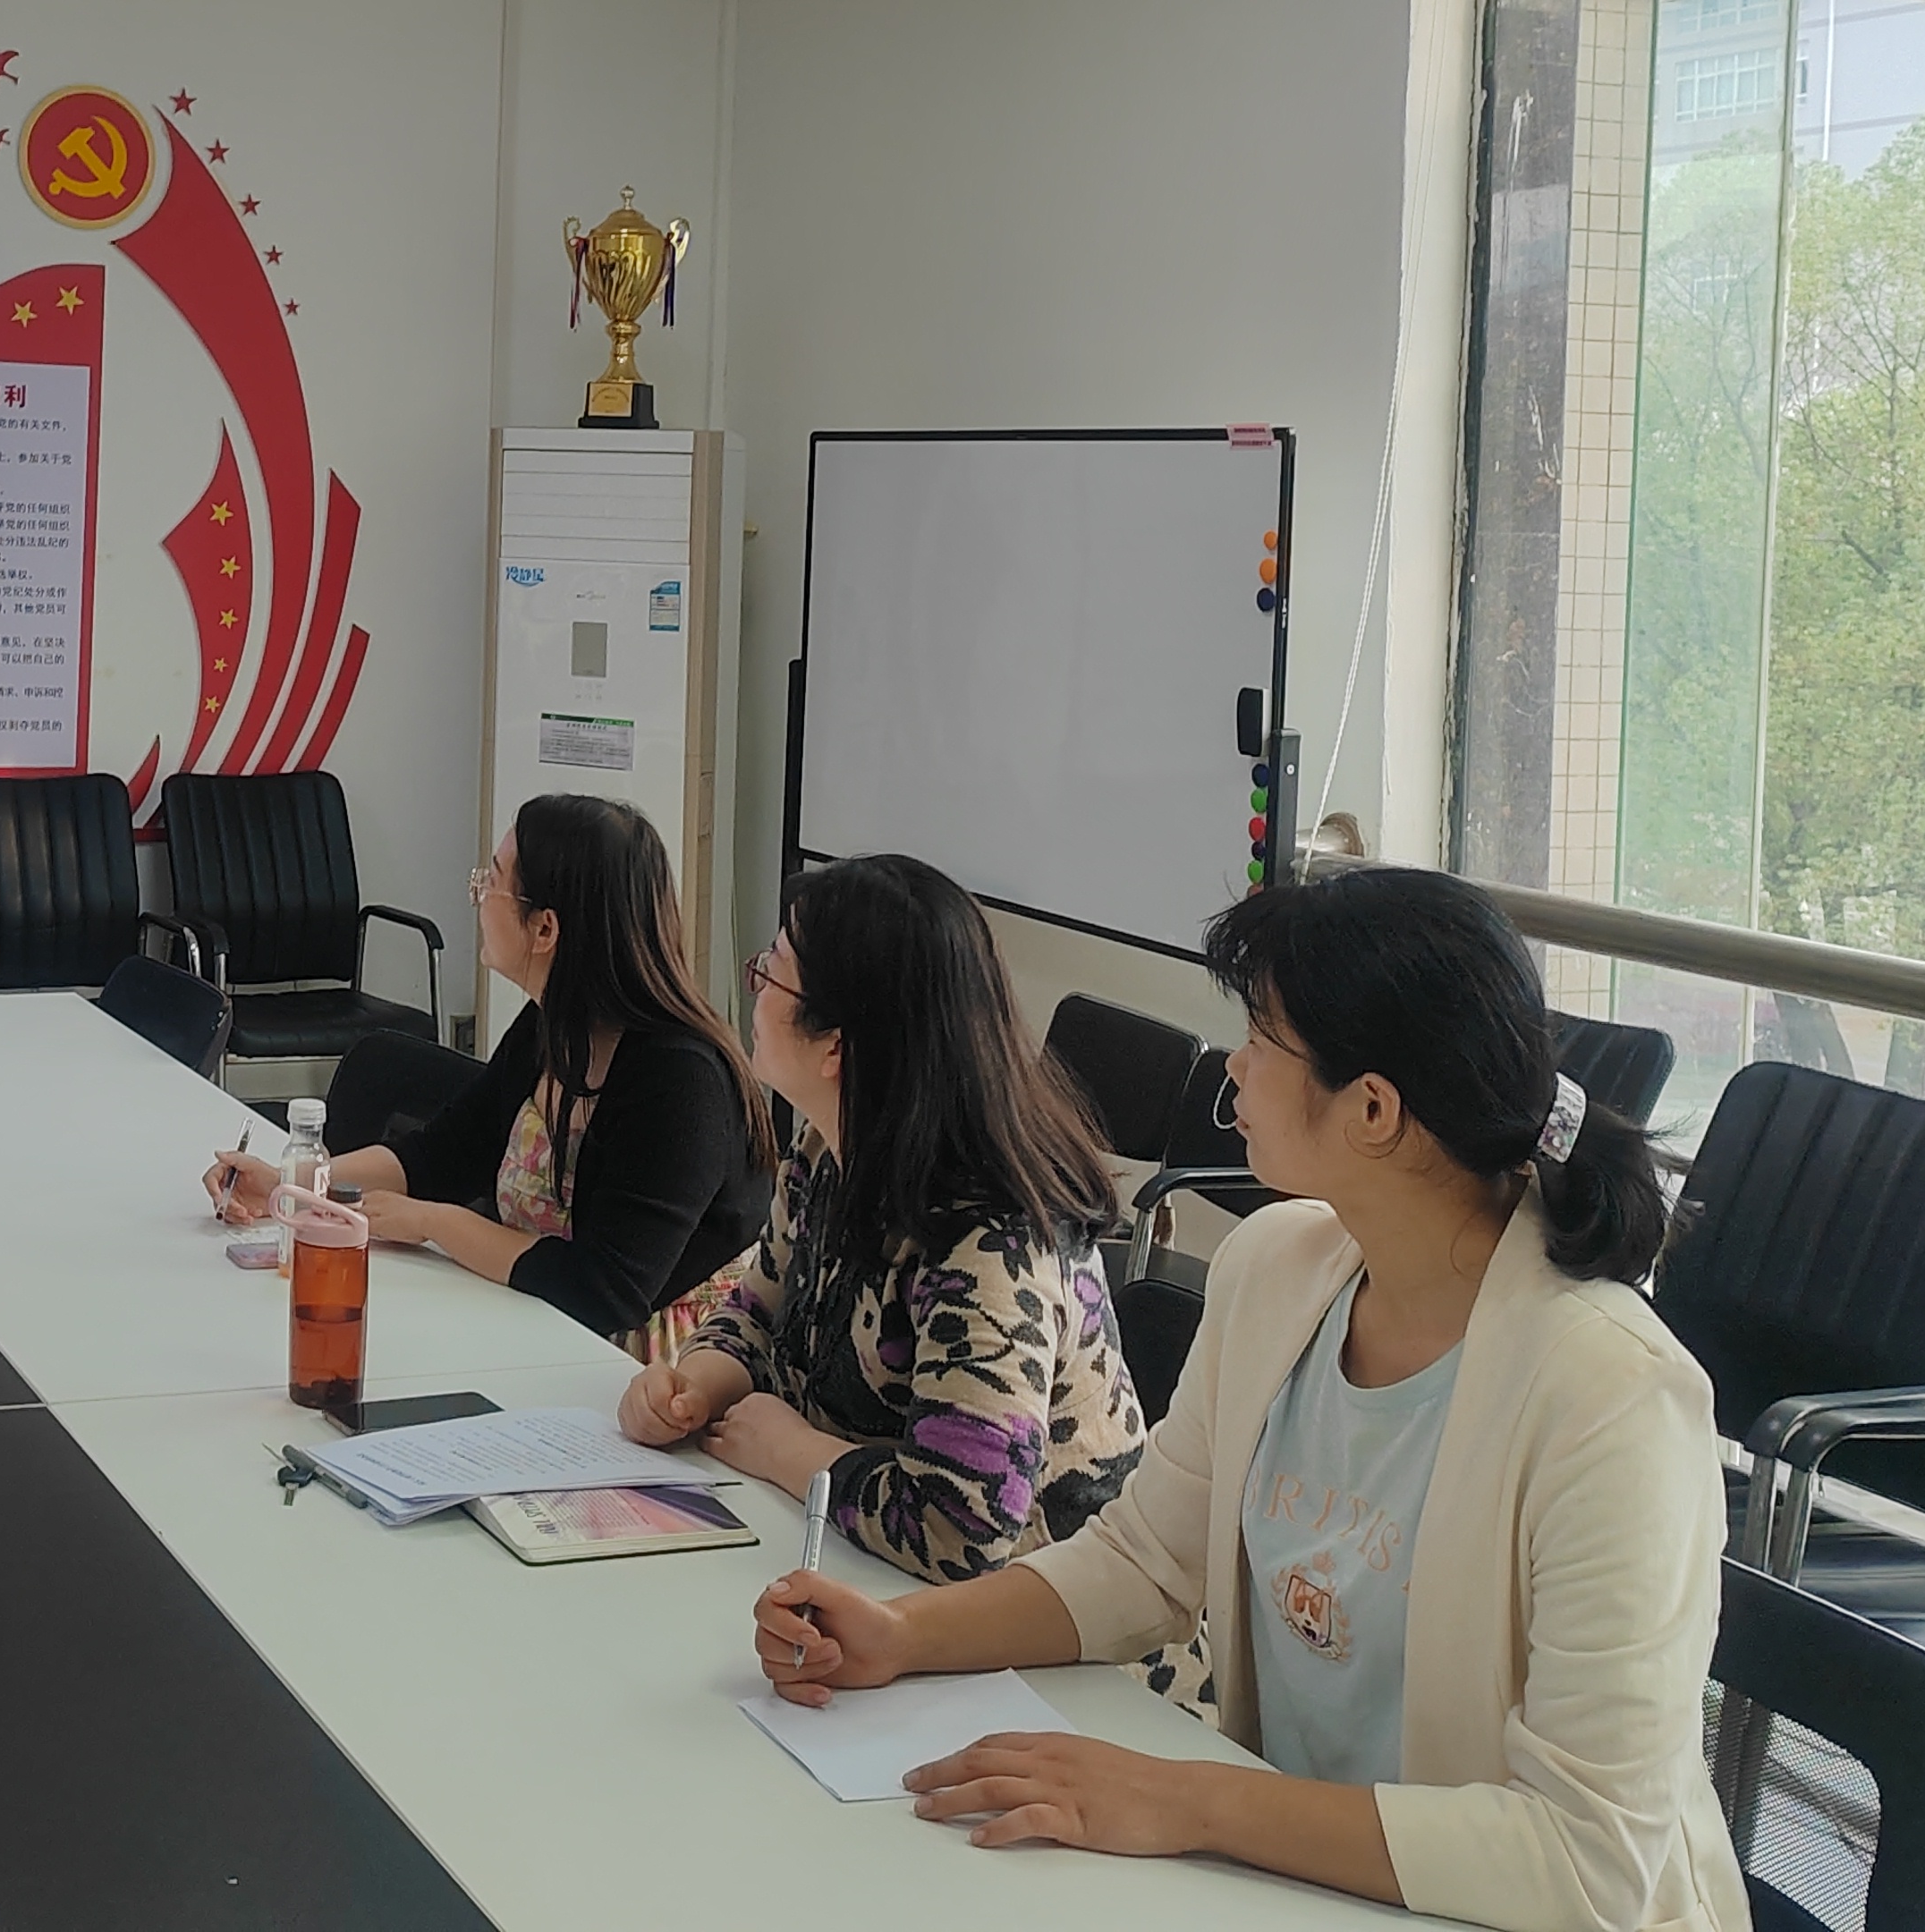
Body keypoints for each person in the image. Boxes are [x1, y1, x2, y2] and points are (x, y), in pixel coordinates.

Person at [747, 868, 1738, 1932]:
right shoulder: (1277, 1268)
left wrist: (1187, 1802)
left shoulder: (1611, 1399)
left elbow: (1588, 1864)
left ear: (1371, 1110)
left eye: (1262, 1038)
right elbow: (1142, 1561)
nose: (1233, 1063)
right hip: (1297, 1887)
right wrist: (901, 1635)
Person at [618, 854, 1144, 1579]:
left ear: (836, 1045)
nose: (753, 990)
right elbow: (757, 1311)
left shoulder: (990, 1241)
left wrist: (795, 1454)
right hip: (863, 1573)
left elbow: (964, 1528)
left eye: (770, 973)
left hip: (1044, 1624)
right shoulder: (827, 1147)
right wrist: (694, 1385)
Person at [202, 794, 766, 1357]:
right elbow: (442, 1155)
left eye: (491, 881)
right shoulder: (551, 1024)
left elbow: (605, 1291)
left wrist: (433, 1223)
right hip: (540, 1325)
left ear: (544, 929)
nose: (477, 895)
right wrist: (293, 1185)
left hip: (659, 1368)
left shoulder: (680, 1081)